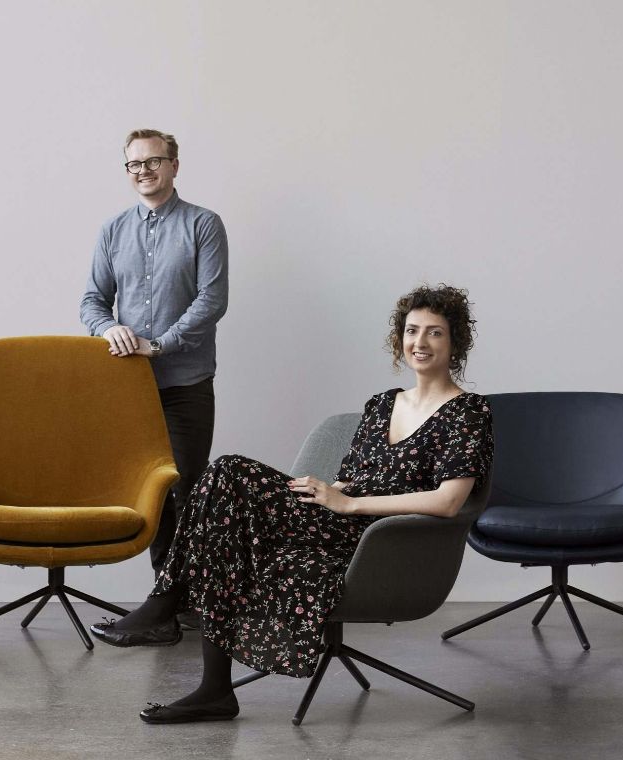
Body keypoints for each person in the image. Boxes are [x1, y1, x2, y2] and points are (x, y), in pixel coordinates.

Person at [93, 284, 493, 725]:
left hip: (377, 537)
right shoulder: (383, 404)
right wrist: (322, 492)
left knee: (228, 472)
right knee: (223, 513)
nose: (420, 342)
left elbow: (449, 501)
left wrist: (349, 505)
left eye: (434, 332)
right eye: (412, 330)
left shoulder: (468, 412)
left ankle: (168, 611)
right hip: (332, 517)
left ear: (454, 341)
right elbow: (352, 476)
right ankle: (210, 684)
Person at [80, 129, 229, 621]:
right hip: (132, 388)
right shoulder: (113, 230)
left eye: (153, 161)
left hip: (186, 383)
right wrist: (110, 328)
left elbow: (212, 300)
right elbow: (92, 301)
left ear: (174, 165)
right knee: (153, 493)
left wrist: (161, 344)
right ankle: (168, 602)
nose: (143, 170)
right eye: (134, 164)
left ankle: (188, 599)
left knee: (187, 489)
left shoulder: (203, 224)